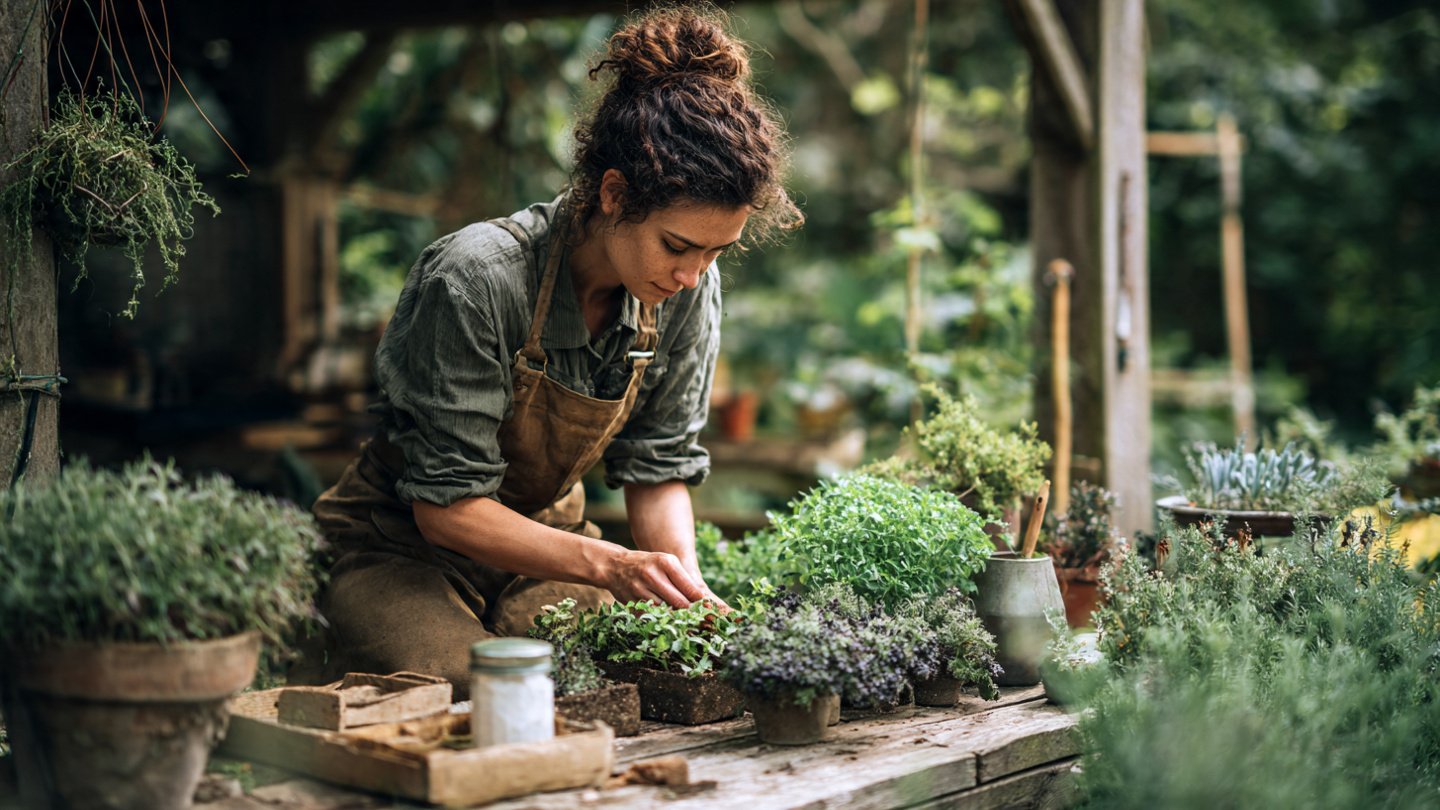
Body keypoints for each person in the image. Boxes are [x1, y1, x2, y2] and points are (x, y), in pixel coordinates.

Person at [298, 6, 803, 693]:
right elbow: (445, 508)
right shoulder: (478, 278)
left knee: (617, 679)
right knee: (484, 695)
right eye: (679, 246)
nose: (692, 275)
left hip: (545, 552)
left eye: (717, 252)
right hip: (399, 546)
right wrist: (612, 567)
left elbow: (658, 467)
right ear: (614, 193)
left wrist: (685, 593)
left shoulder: (688, 288)